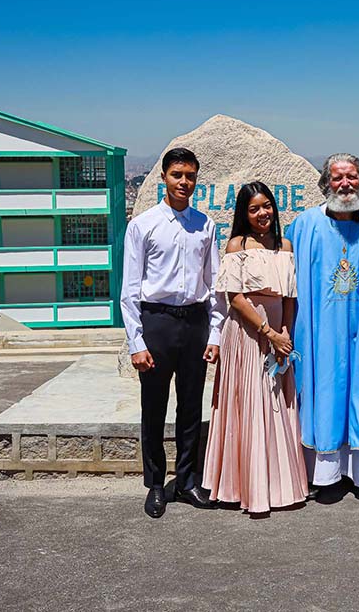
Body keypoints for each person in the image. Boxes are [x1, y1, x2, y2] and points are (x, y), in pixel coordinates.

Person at [286, 153, 359, 494]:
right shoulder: (305, 225)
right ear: (326, 184)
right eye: (337, 178)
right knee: (324, 392)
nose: (345, 184)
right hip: (320, 331)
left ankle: (355, 472)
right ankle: (323, 475)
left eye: (352, 177)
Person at [120, 147, 226, 519]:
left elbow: (213, 286)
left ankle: (186, 480)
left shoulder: (205, 225)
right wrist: (137, 342)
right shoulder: (143, 225)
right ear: (164, 177)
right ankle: (154, 483)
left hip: (194, 322)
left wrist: (214, 335)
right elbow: (130, 290)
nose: (184, 182)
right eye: (178, 174)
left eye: (190, 176)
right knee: (153, 407)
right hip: (158, 322)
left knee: (190, 407)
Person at [202, 182, 309, 514]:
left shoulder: (285, 245)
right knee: (249, 404)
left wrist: (284, 335)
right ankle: (245, 486)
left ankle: (280, 486)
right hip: (247, 336)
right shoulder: (236, 245)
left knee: (277, 404)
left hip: (278, 335)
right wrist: (268, 333)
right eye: (254, 209)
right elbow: (235, 298)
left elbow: (289, 297)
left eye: (267, 206)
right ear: (244, 215)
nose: (262, 213)